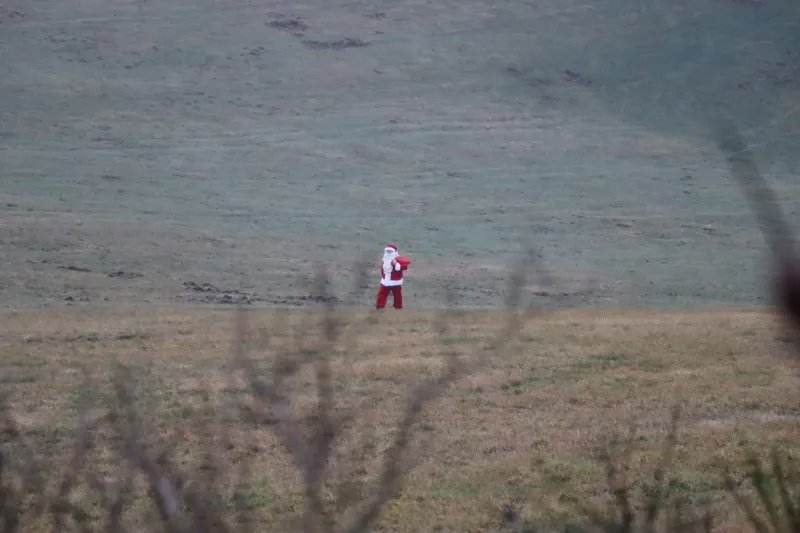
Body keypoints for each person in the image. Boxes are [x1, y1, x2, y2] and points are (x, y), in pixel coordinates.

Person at [376, 243, 411, 309]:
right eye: (387, 251)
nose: (388, 253)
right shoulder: (384, 259)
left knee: (397, 295)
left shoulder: (398, 259)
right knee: (382, 294)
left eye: (390, 251)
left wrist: (396, 265)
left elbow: (404, 267)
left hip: (395, 282)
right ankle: (379, 306)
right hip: (385, 281)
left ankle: (398, 307)